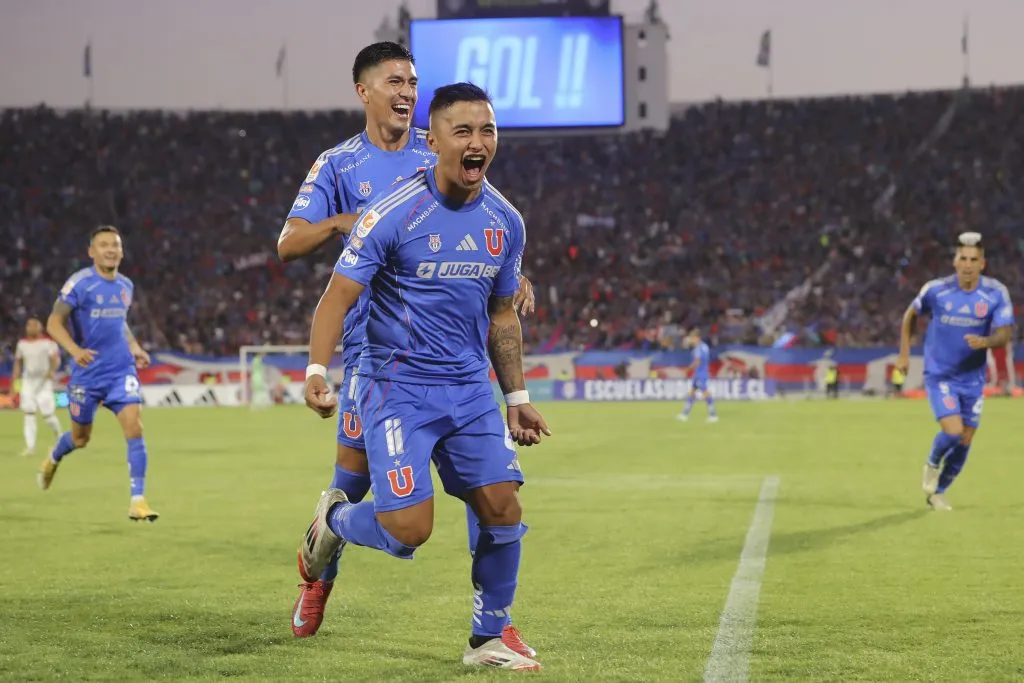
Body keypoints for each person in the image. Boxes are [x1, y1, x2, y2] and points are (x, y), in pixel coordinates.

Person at [278, 41, 536, 639]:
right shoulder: (338, 165)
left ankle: (494, 625)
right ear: (364, 91)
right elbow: (288, 244)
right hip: (376, 350)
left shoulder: (444, 147)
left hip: (457, 352)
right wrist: (339, 224)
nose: (406, 92)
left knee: (492, 491)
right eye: (394, 81)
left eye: (413, 83)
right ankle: (317, 579)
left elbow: (485, 229)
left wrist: (515, 277)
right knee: (354, 481)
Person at [39, 225, 158, 522]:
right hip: (87, 375)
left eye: (115, 245)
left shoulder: (126, 286)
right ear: (91, 251)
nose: (110, 250)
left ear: (121, 251)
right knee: (81, 439)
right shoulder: (79, 284)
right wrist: (74, 350)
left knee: (134, 427)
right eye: (104, 245)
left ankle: (138, 500)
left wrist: (135, 347)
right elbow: (53, 323)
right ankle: (54, 456)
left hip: (120, 370)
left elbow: (121, 324)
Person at [896, 232, 1015, 511]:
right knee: (952, 432)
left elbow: (1005, 333)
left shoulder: (996, 293)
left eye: (974, 259)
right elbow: (910, 315)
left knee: (965, 441)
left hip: (973, 379)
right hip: (941, 375)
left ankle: (937, 493)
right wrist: (903, 353)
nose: (968, 264)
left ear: (982, 264)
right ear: (955, 261)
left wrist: (985, 342)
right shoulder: (936, 290)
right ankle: (932, 462)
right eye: (963, 258)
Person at [12, 318, 63, 456]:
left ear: (40, 328)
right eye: (29, 325)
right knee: (29, 413)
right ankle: (30, 447)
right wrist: (14, 382)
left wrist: (51, 372)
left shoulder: (48, 343)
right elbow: (18, 363)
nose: (31, 328)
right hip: (28, 381)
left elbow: (56, 360)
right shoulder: (22, 344)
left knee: (48, 415)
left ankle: (60, 437)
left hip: (43, 381)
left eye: (34, 325)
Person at [677, 329, 718, 422]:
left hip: (700, 374)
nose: (692, 340)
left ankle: (713, 415)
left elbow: (697, 362)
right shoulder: (704, 347)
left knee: (705, 392)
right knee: (692, 392)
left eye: (693, 338)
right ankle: (685, 414)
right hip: (700, 373)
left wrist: (687, 370)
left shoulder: (698, 349)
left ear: (698, 338)